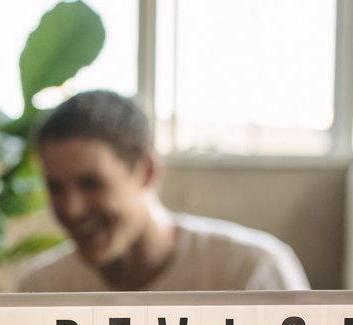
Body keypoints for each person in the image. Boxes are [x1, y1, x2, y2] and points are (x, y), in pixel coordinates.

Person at [18, 89, 310, 293]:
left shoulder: (251, 273)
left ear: (147, 171)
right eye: (56, 187)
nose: (71, 208)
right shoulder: (42, 289)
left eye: (92, 184)